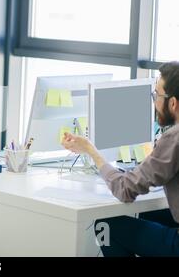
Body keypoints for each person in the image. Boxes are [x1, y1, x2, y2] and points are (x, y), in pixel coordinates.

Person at [61, 62, 179, 257]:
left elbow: (125, 190)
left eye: (156, 95)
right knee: (146, 214)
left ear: (173, 103)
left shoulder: (173, 139)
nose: (154, 102)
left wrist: (92, 151)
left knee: (107, 224)